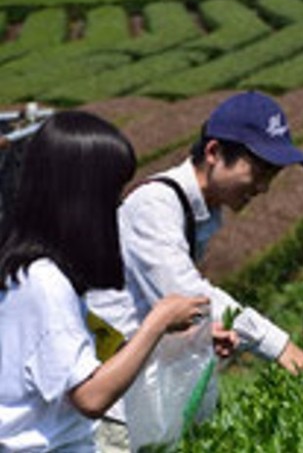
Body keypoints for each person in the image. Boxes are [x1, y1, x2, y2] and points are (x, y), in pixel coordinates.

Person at [87, 91, 303, 448]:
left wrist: (204, 332)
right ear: (213, 153)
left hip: (148, 390)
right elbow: (187, 294)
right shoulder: (155, 205)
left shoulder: (205, 211)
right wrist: (278, 344)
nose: (264, 187)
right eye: (258, 170)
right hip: (118, 405)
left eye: (273, 174)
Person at [0, 111, 210, 452]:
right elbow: (91, 396)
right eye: (111, 193)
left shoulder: (27, 272)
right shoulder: (46, 284)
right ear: (80, 199)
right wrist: (156, 322)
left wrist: (164, 336)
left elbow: (73, 369)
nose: (116, 206)